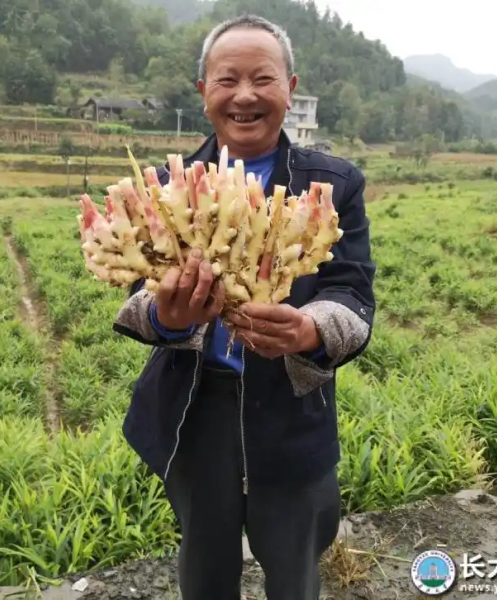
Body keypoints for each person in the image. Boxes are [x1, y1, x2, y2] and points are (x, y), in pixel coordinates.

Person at [112, 13, 376, 600]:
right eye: (227, 80)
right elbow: (136, 290)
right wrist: (165, 317)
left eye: (263, 79)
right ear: (204, 90)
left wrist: (308, 329)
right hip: (195, 407)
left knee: (295, 569)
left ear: (290, 88)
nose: (245, 95)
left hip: (291, 413)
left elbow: (352, 293)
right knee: (204, 568)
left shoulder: (332, 185)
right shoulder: (165, 187)